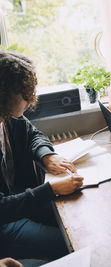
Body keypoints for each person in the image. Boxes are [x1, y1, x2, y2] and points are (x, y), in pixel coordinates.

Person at [0, 50, 84, 262]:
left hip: (24, 199)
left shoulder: (9, 118)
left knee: (83, 221)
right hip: (6, 222)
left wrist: (46, 156)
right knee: (75, 242)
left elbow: (33, 134)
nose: (31, 99)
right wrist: (51, 189)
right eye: (24, 94)